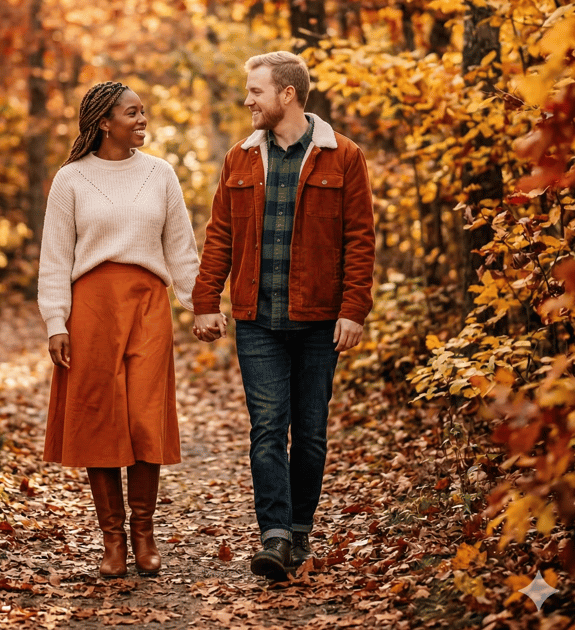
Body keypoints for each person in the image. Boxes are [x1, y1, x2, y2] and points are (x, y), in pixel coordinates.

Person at [192, 51, 375, 581]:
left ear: (287, 94)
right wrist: (207, 301)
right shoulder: (241, 158)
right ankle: (273, 535)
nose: (247, 99)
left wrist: (353, 309)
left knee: (312, 433)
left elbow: (359, 240)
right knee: (268, 429)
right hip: (258, 320)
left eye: (255, 90)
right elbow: (220, 234)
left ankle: (298, 529)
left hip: (320, 321)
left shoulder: (343, 156)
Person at [38, 80, 199, 578]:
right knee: (101, 419)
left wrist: (200, 305)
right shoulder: (71, 179)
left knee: (145, 416)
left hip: (149, 304)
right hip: (91, 308)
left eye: (143, 112)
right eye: (133, 113)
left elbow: (180, 246)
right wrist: (55, 322)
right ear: (104, 123)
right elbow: (55, 256)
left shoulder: (161, 174)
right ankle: (113, 541)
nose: (142, 120)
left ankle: (144, 533)